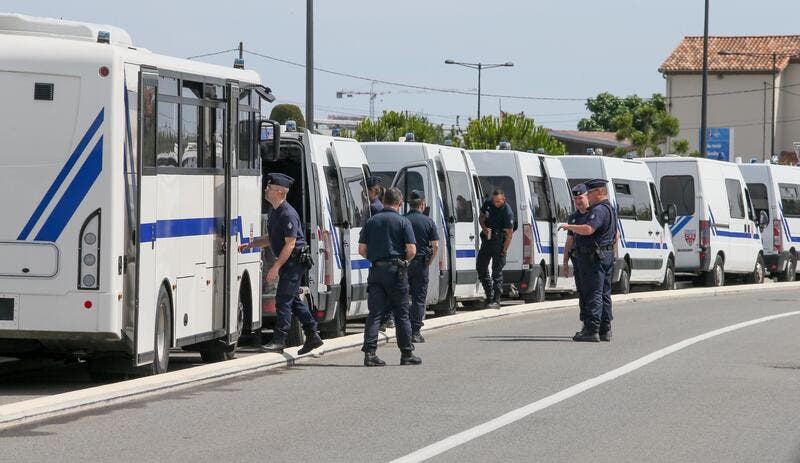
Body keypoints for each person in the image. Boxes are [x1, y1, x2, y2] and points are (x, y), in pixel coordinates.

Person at [239, 173, 323, 355]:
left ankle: (279, 339)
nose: (265, 190)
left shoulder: (288, 213)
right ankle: (313, 335)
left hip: (294, 262)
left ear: (278, 191)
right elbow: (272, 237)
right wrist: (251, 245)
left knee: (283, 300)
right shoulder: (275, 212)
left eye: (268, 188)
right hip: (289, 262)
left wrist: (275, 267)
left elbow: (290, 243)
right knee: (292, 300)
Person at [358, 187, 421, 366]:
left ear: (384, 201)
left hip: (376, 271)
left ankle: (369, 354)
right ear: (400, 204)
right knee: (401, 314)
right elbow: (412, 250)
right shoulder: (403, 222)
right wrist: (403, 260)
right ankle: (406, 354)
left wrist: (376, 257)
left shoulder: (371, 221)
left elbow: (361, 250)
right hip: (396, 272)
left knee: (375, 314)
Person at [558, 178, 618, 342]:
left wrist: (569, 227)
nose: (587, 196)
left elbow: (588, 229)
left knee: (593, 293)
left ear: (599, 192)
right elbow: (615, 235)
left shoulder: (598, 210)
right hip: (603, 255)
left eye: (589, 193)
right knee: (603, 293)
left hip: (593, 257)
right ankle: (605, 329)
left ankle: (592, 330)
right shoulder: (609, 208)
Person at [404, 190, 440, 343]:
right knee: (419, 298)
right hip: (421, 263)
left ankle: (404, 329)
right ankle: (415, 332)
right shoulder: (428, 221)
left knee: (403, 297)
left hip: (404, 263)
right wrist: (430, 261)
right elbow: (435, 246)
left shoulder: (403, 219)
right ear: (423, 204)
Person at [476, 189, 515, 309]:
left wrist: (504, 250)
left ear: (504, 200)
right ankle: (489, 295)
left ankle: (496, 300)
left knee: (496, 272)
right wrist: (483, 227)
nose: (495, 203)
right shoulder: (488, 203)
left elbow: (509, 234)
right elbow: (481, 217)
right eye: (494, 201)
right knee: (481, 266)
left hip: (499, 241)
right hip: (487, 239)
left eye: (498, 201)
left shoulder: (507, 212)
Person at [561, 183, 590, 334]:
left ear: (587, 196)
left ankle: (600, 325)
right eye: (575, 199)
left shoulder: (594, 213)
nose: (578, 201)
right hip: (578, 259)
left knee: (594, 293)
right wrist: (565, 262)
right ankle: (586, 323)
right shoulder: (573, 217)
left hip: (593, 259)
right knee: (582, 293)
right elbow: (569, 241)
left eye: (580, 198)